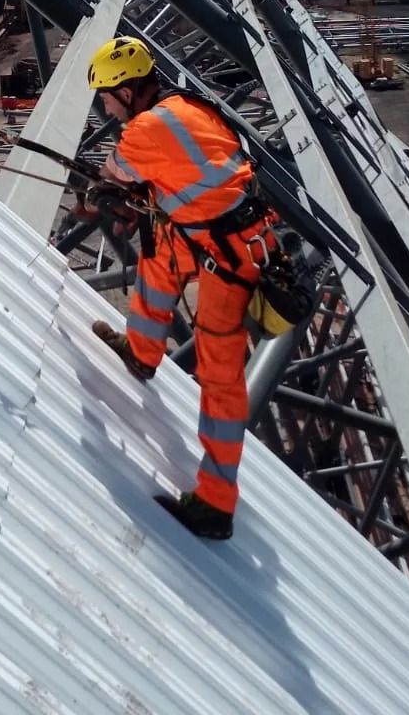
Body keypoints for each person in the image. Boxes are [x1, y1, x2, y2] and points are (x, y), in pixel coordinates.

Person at [83, 35, 277, 541]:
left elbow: (116, 174)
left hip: (228, 251)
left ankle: (215, 504)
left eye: (107, 95)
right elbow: (188, 170)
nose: (105, 107)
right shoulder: (185, 105)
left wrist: (103, 191)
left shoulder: (144, 130)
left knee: (220, 374)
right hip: (220, 229)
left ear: (127, 91)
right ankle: (143, 352)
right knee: (159, 258)